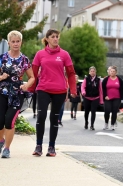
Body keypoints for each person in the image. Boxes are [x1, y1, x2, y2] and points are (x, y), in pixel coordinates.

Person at [28, 29, 77, 157]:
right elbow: (33, 73)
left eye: (57, 37)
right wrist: (30, 89)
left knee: (54, 118)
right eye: (53, 37)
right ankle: (38, 146)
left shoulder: (64, 54)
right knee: (41, 116)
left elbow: (71, 73)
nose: (55, 39)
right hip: (43, 88)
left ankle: (51, 147)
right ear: (47, 39)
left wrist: (73, 90)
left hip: (59, 90)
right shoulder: (40, 54)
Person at [0, 30, 35, 158]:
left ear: (21, 42)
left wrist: (27, 85)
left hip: (17, 93)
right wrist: (2, 77)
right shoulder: (2, 58)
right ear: (8, 43)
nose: (15, 44)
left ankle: (7, 149)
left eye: (18, 41)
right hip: (2, 92)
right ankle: (1, 141)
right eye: (13, 41)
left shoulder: (24, 59)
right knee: (0, 121)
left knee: (9, 121)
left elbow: (32, 77)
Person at [102, 66, 123, 130]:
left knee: (114, 111)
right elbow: (102, 89)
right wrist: (105, 96)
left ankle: (112, 124)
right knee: (107, 110)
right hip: (108, 98)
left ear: (116, 72)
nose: (112, 72)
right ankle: (106, 123)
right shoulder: (106, 79)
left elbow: (122, 89)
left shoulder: (119, 80)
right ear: (109, 72)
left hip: (117, 98)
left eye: (113, 71)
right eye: (111, 71)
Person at [81, 66, 103, 130]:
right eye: (91, 71)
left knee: (93, 111)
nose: (92, 72)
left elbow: (100, 90)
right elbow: (83, 86)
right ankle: (86, 122)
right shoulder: (86, 79)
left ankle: (92, 125)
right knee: (86, 111)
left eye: (93, 71)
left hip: (95, 98)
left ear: (95, 72)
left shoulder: (98, 80)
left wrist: (101, 100)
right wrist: (83, 92)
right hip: (87, 97)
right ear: (89, 72)